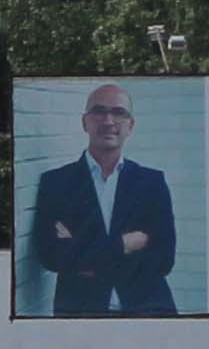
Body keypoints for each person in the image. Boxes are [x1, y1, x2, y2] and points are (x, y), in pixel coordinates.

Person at [26, 82, 179, 317]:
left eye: (118, 112)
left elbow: (164, 260)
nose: (108, 121)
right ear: (84, 122)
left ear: (130, 125)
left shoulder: (151, 183)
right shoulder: (55, 183)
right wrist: (124, 245)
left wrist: (81, 253)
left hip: (148, 311)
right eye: (99, 111)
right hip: (81, 314)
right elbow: (51, 257)